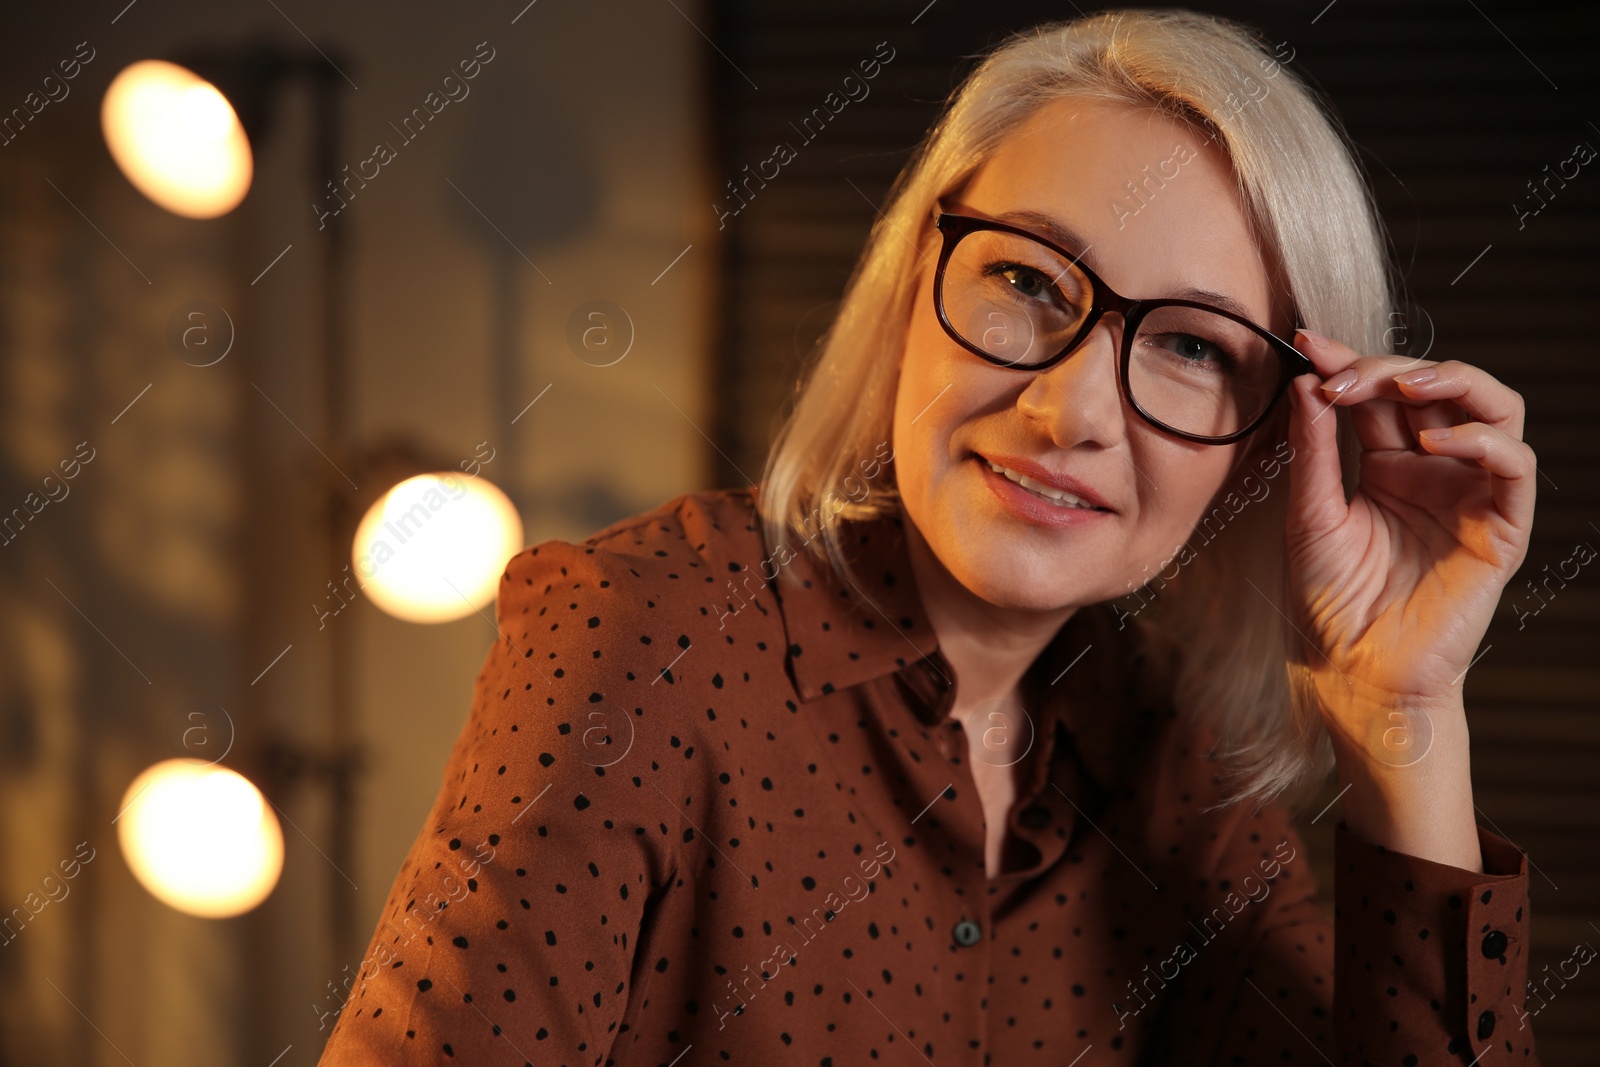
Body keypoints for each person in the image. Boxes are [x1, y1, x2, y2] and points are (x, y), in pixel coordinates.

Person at [316, 9, 1540, 1065]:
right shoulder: (646, 636)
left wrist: (1407, 717)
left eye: (1189, 346)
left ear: (1274, 441)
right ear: (913, 284)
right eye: (1025, 282)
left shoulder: (1182, 767)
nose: (1066, 412)